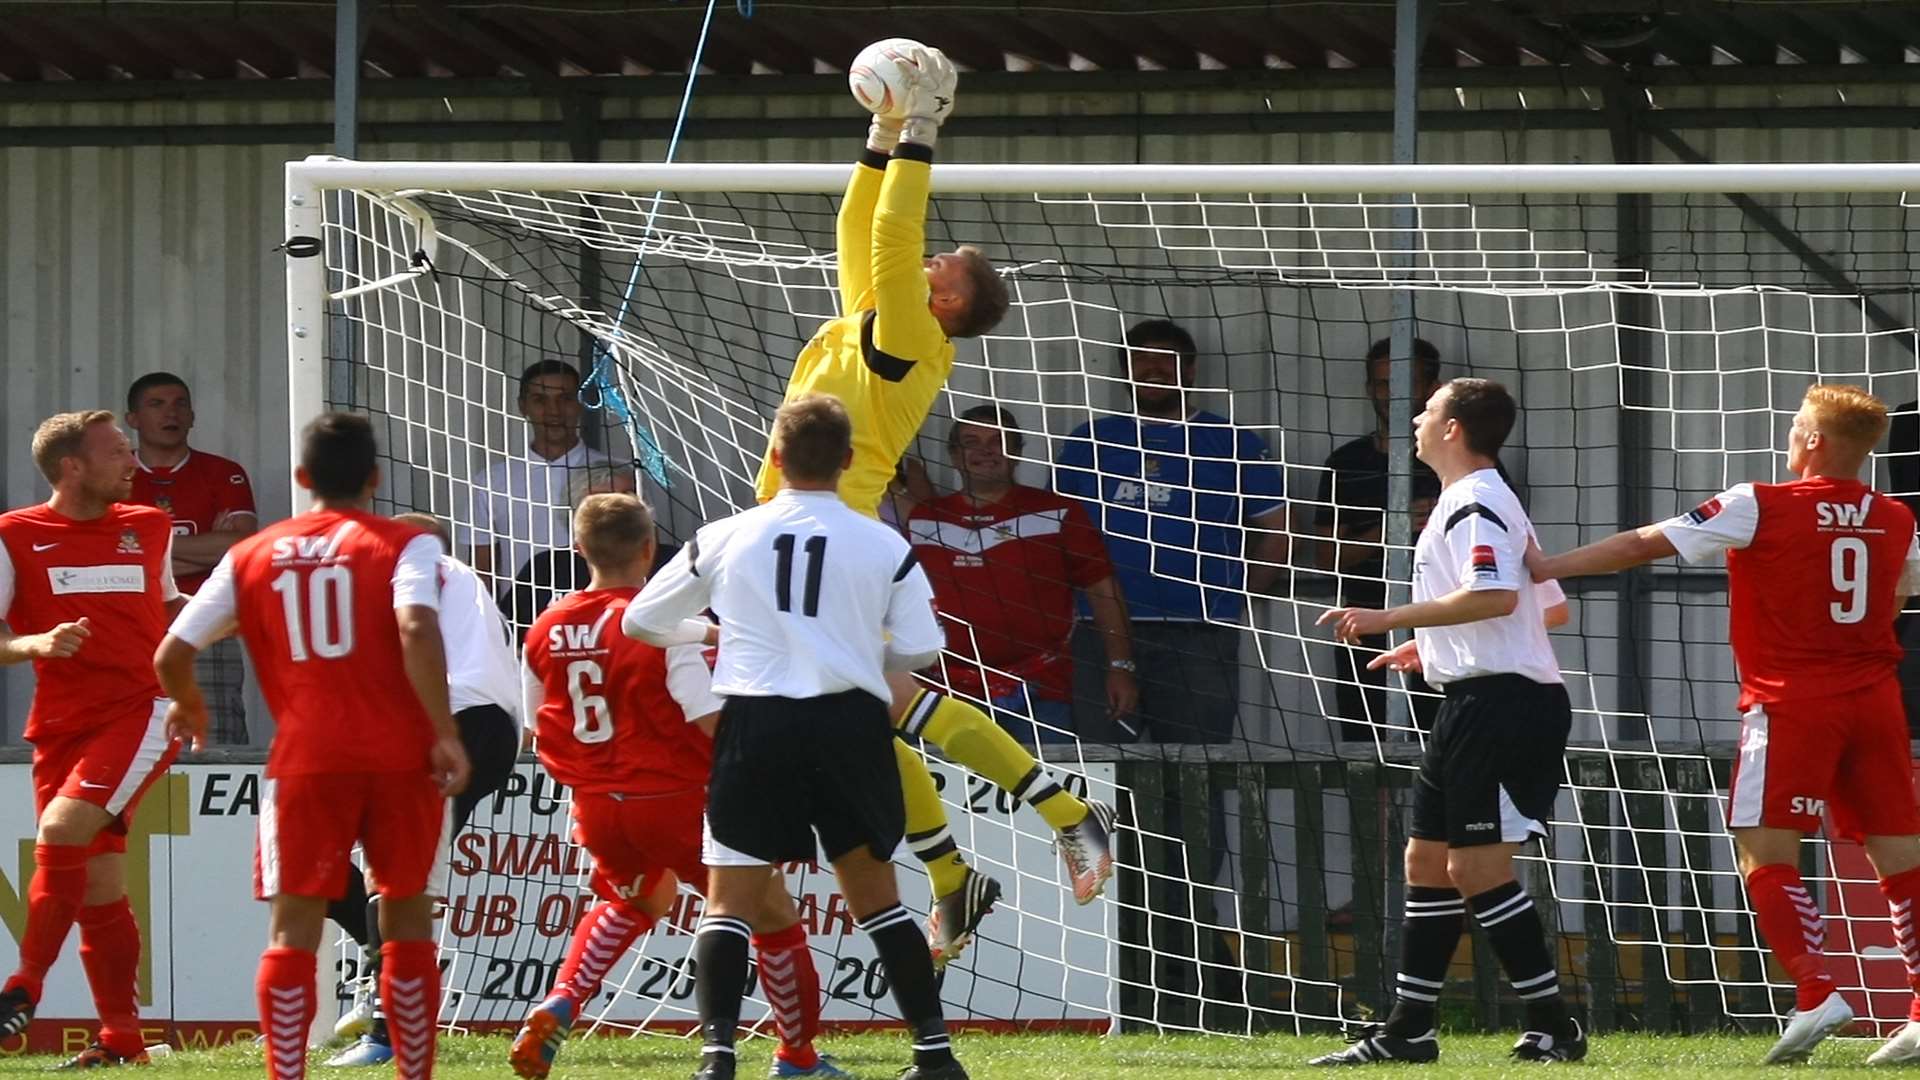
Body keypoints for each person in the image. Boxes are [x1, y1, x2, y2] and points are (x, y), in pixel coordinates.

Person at [746, 50, 1114, 970]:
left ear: (945, 298)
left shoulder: (913, 332)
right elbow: (858, 229)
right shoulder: (882, 316)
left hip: (837, 533)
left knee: (896, 704)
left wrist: (921, 132)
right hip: (798, 530)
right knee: (871, 716)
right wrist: (877, 136)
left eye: (942, 261)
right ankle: (955, 874)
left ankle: (1066, 813)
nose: (929, 254)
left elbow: (889, 234)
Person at [1529, 383, 1920, 1066]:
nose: (1790, 434)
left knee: (1762, 851)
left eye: (1797, 425)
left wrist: (1549, 567)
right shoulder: (1897, 517)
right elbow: (1894, 602)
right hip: (1876, 699)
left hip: (1792, 701)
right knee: (1904, 862)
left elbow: (1641, 545)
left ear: (1814, 442)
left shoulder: (1758, 502)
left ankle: (1816, 990)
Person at [627, 394, 965, 1080]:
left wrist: (708, 631)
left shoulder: (727, 534)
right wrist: (853, 645)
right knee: (877, 899)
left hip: (757, 721)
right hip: (848, 724)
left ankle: (718, 1059)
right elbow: (925, 651)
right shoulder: (882, 541)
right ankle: (934, 1055)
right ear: (847, 461)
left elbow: (641, 621)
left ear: (774, 458)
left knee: (729, 902)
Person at [154, 413, 472, 1080]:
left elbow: (173, 648)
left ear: (302, 479)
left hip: (305, 759)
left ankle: (285, 1073)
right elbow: (415, 624)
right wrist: (444, 730)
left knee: (294, 924)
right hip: (399, 755)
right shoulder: (404, 543)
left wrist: (187, 700)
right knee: (407, 911)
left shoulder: (251, 554)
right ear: (376, 479)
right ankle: (415, 1071)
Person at [510, 492, 844, 1080]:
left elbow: (536, 726)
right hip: (676, 799)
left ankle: (562, 999)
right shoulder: (660, 624)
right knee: (771, 916)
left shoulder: (545, 627)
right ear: (650, 548)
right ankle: (797, 1055)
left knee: (634, 899)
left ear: (577, 548)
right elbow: (705, 716)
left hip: (597, 805)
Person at [1310, 378, 1583, 1065]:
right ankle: (1408, 1030)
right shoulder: (1483, 501)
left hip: (1503, 707)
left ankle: (1556, 1024)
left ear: (1455, 429)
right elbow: (1546, 607)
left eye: (1428, 411)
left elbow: (1493, 594)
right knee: (1427, 863)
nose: (1417, 421)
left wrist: (1387, 618)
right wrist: (1431, 644)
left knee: (1476, 868)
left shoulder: (1478, 501)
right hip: (1470, 701)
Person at [0, 410, 184, 1066]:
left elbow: (167, 611)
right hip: (60, 725)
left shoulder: (149, 526)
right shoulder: (14, 535)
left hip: (142, 710)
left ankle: (22, 985)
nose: (134, 463)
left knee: (59, 832)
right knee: (101, 885)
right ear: (71, 467)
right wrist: (35, 644)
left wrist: (240, 616)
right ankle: (122, 1041)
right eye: (118, 453)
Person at [326, 514, 524, 1068]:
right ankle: (380, 973)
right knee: (322, 860)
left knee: (390, 875)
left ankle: (388, 1026)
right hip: (483, 727)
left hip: (451, 722)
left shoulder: (418, 577)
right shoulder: (462, 580)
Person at [1054, 318, 1290, 744]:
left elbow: (1278, 532)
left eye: (1165, 358)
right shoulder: (1089, 441)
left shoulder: (1232, 442)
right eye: (1139, 358)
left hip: (1198, 637)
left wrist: (1235, 598)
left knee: (1194, 779)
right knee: (1099, 773)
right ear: (1124, 369)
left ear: (1191, 369)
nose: (1152, 368)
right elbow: (1056, 534)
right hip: (1100, 636)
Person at [907, 405, 1136, 743]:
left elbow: (1103, 591)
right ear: (954, 456)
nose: (985, 450)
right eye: (971, 441)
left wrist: (1121, 668)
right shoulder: (922, 519)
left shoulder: (1058, 512)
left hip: (1041, 694)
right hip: (945, 694)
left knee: (1045, 794)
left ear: (1016, 453)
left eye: (999, 441)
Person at [1316, 339, 1445, 740]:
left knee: (1446, 750)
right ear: (1370, 389)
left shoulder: (1458, 457)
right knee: (1366, 755)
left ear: (1432, 387)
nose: (1393, 394)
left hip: (1444, 626)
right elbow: (1327, 555)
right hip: (1364, 627)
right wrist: (1394, 528)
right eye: (1384, 383)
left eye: (1405, 382)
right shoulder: (1346, 463)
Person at [125, 372, 258, 744]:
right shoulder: (116, 476)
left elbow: (242, 547)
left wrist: (145, 549)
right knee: (134, 742)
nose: (172, 413)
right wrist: (208, 549)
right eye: (157, 404)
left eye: (180, 404)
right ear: (133, 419)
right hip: (134, 626)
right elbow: (105, 556)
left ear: (193, 415)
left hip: (207, 622)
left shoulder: (223, 473)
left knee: (213, 739)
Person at [466, 360, 615, 624]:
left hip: (601, 620)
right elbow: (483, 570)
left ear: (579, 404)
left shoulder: (615, 477)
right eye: (540, 399)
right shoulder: (492, 481)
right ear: (523, 406)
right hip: (522, 623)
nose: (553, 411)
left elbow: (641, 552)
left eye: (565, 398)